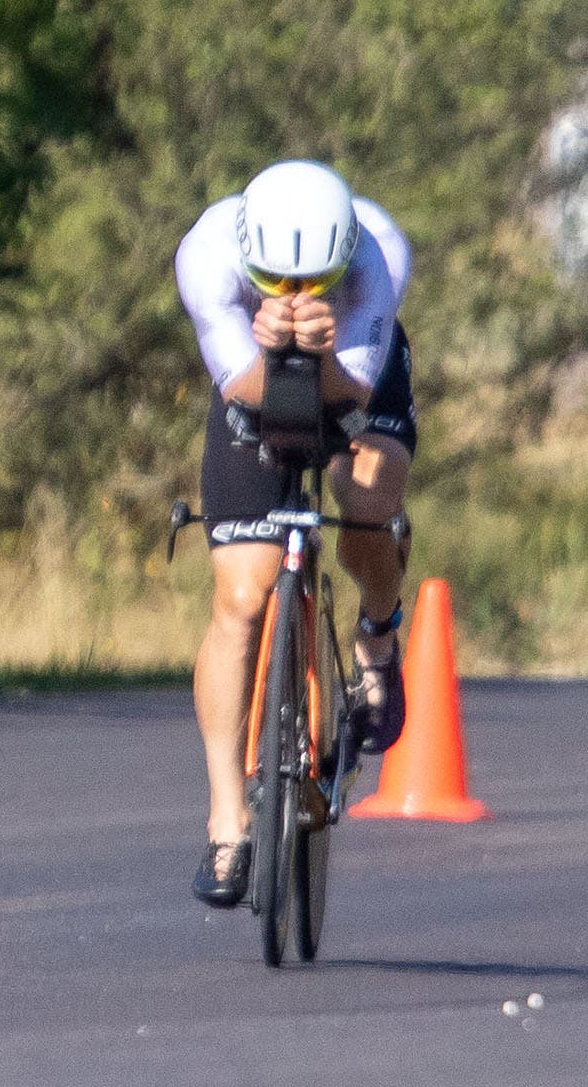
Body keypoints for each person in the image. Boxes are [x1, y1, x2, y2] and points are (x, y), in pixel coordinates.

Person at [174, 160, 415, 907]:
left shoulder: (379, 254)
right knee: (240, 602)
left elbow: (356, 392)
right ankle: (225, 821)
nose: (295, 294)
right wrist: (274, 345)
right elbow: (241, 387)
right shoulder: (208, 254)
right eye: (275, 280)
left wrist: (320, 349)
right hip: (252, 391)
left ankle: (378, 630)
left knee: (364, 499)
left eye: (315, 279)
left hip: (353, 384)